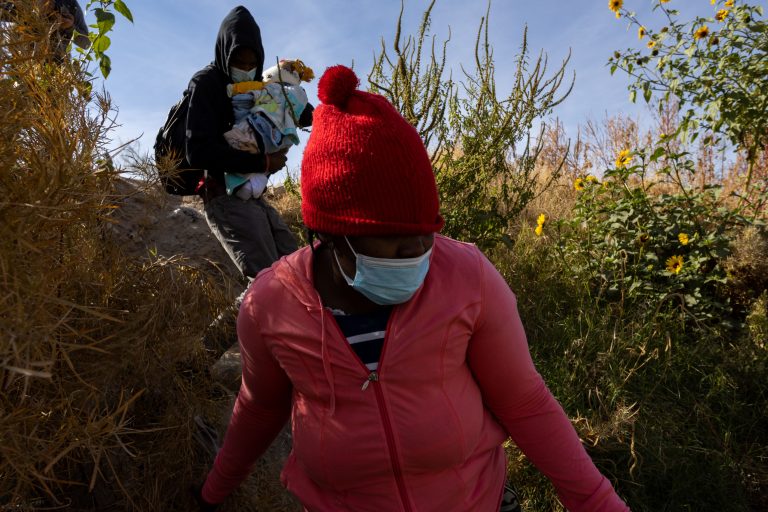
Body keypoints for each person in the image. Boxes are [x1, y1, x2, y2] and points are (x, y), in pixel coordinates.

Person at [196, 65, 631, 511]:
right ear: (329, 236)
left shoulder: (466, 276)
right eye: (395, 247)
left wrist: (597, 502)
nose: (417, 260)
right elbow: (260, 408)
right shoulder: (271, 304)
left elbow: (524, 401)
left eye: (423, 239)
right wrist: (215, 490)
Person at [184, 5, 311, 282]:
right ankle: (234, 325)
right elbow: (198, 151)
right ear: (224, 54)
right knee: (270, 280)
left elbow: (292, 110)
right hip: (223, 196)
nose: (245, 69)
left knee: (295, 269)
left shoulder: (257, 87)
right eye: (238, 62)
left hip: (253, 195)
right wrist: (263, 162)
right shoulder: (207, 83)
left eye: (251, 63)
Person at [223, 58, 314, 201]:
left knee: (239, 145)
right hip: (280, 137)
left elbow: (248, 88)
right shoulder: (299, 94)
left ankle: (243, 183)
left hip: (257, 128)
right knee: (270, 156)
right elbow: (308, 116)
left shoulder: (267, 87)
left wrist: (234, 89)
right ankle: (254, 182)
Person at [0, 0, 90, 62]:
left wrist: (70, 27)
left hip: (54, 66)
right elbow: (3, 11)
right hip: (23, 61)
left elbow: (86, 43)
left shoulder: (71, 3)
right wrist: (31, 10)